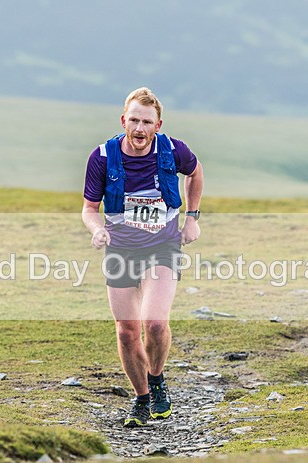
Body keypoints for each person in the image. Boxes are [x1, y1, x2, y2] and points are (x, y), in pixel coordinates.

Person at [82, 87, 204, 428]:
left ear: (157, 125)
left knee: (154, 323)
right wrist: (96, 229)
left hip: (162, 247)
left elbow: (195, 172)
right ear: (124, 120)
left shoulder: (173, 150)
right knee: (126, 332)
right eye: (134, 120)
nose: (139, 128)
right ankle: (141, 397)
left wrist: (192, 218)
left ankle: (157, 378)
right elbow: (89, 208)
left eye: (147, 122)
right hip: (121, 249)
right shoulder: (102, 157)